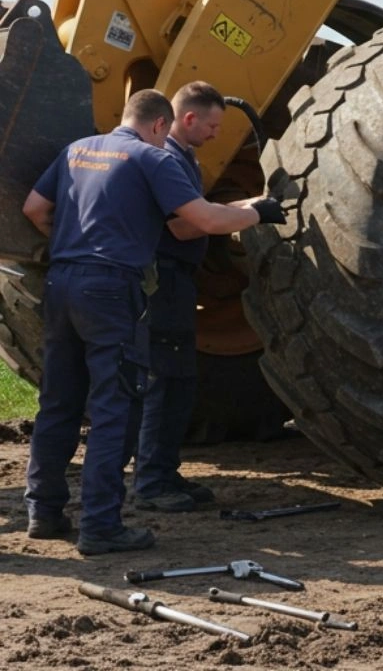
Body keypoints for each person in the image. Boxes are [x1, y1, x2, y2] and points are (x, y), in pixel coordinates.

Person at [21, 89, 285, 555]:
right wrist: (256, 210)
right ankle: (101, 526)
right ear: (163, 125)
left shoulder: (77, 149)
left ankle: (43, 512)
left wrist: (74, 244)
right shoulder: (153, 159)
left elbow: (35, 210)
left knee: (58, 403)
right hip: (111, 291)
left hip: (62, 284)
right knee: (113, 409)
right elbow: (200, 220)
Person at [133, 82, 236, 513]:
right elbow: (180, 227)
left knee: (179, 380)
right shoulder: (167, 159)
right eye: (212, 125)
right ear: (188, 119)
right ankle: (153, 482)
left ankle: (164, 471)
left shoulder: (184, 157)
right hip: (166, 281)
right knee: (167, 378)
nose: (216, 134)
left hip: (177, 280)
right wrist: (243, 214)